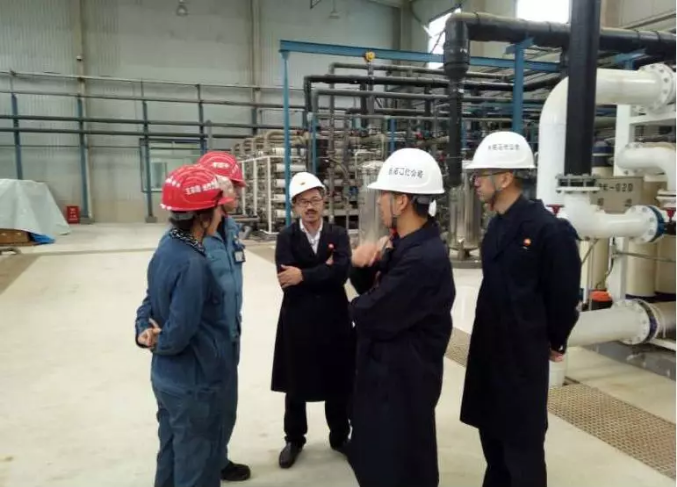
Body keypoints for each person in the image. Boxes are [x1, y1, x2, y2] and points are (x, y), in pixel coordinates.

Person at [460, 131, 581, 487]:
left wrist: (555, 340)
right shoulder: (496, 225)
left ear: (505, 178)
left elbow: (563, 297)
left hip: (521, 360)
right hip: (489, 354)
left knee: (522, 451)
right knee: (493, 444)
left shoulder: (549, 230)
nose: (475, 182)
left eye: (481, 175)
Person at [348, 148, 456, 487]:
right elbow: (378, 292)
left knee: (399, 467)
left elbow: (373, 312)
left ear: (402, 201)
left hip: (402, 383)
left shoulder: (422, 259)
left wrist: (350, 297)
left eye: (384, 195)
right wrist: (361, 267)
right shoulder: (405, 245)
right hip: (388, 377)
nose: (379, 202)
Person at [134, 164, 233, 487]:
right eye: (217, 208)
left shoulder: (167, 248)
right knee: (197, 466)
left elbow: (148, 301)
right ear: (202, 216)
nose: (221, 214)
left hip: (166, 379)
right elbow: (179, 332)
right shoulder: (193, 264)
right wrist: (158, 341)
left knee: (171, 453)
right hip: (193, 381)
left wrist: (143, 330)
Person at [271, 171, 354, 469]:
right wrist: (323, 270)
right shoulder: (286, 237)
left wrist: (304, 274)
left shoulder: (338, 234)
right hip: (298, 319)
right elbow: (286, 280)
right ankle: (294, 438)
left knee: (338, 379)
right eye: (303, 201)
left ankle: (340, 436)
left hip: (335, 318)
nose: (310, 206)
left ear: (324, 202)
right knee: (296, 381)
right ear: (294, 206)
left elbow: (341, 273)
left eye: (315, 200)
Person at [197, 151, 251, 482]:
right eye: (235, 187)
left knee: (226, 404)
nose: (240, 193)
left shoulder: (229, 228)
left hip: (230, 333)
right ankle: (202, 468)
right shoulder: (194, 237)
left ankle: (218, 458)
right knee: (204, 408)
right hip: (206, 340)